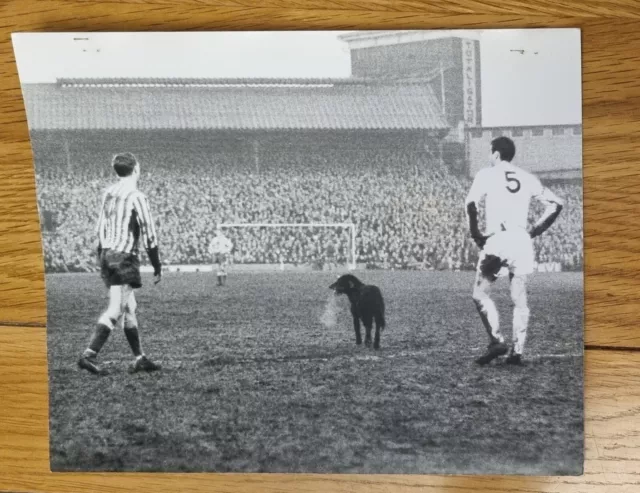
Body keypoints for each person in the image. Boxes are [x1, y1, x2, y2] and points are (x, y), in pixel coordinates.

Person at [465, 136, 563, 365]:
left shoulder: (486, 174)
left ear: (496, 154)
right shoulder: (527, 178)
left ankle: (497, 340)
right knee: (519, 298)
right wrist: (535, 230)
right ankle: (517, 352)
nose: (490, 157)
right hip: (521, 241)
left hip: (498, 240)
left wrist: (476, 234)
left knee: (480, 294)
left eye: (491, 153)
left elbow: (471, 204)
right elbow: (556, 204)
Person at [78, 152, 163, 375]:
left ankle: (139, 358)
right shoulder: (137, 196)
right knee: (116, 308)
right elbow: (149, 233)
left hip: (107, 253)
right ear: (136, 168)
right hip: (124, 256)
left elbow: (100, 227)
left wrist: (102, 256)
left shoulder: (109, 193)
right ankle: (89, 354)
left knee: (129, 307)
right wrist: (157, 265)